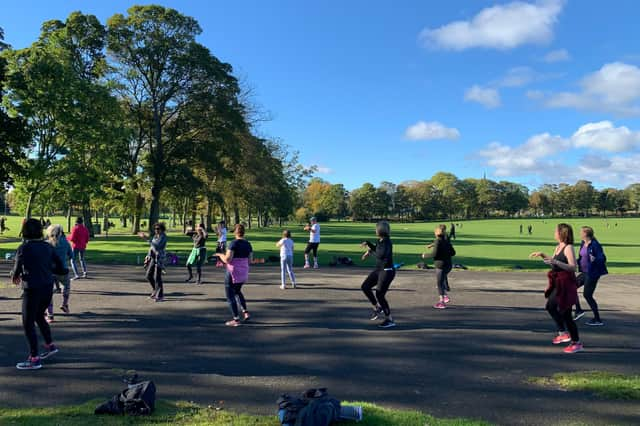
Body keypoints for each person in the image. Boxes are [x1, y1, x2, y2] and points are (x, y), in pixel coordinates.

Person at [11, 219, 68, 370]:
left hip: (32, 288)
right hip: (47, 287)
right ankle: (50, 345)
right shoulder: (47, 247)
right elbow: (62, 269)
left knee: (28, 322)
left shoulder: (24, 248)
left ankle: (34, 358)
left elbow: (16, 270)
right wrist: (47, 270)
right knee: (38, 316)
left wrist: (15, 275)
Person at [530, 223, 583, 354]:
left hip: (566, 284)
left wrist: (555, 262)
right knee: (550, 306)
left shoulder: (568, 247)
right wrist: (544, 256)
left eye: (556, 231)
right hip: (558, 283)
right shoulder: (558, 247)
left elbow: (572, 267)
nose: (554, 233)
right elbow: (555, 265)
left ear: (562, 233)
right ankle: (563, 333)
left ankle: (576, 342)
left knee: (566, 313)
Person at [360, 221, 396, 328]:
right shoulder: (380, 241)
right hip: (379, 270)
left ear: (380, 230)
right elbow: (377, 249)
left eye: (376, 229)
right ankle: (377, 307)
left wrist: (370, 252)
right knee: (365, 286)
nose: (375, 230)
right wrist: (369, 244)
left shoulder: (386, 242)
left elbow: (381, 254)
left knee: (379, 294)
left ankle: (390, 319)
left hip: (387, 271)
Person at [217, 224, 253, 326]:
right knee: (238, 291)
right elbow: (250, 260)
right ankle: (245, 312)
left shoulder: (233, 243)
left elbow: (227, 259)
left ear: (235, 232)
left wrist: (220, 255)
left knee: (230, 295)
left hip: (232, 272)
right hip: (243, 272)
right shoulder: (248, 244)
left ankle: (236, 319)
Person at [574, 226, 607, 326]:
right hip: (584, 272)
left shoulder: (595, 245)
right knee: (571, 287)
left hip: (592, 273)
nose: (579, 233)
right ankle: (578, 310)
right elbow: (581, 257)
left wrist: (595, 259)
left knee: (587, 295)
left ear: (586, 234)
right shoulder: (583, 243)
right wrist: (574, 262)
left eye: (581, 232)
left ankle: (597, 319)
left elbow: (602, 258)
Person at [422, 225, 456, 309]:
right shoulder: (446, 241)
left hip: (440, 265)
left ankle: (441, 302)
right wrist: (445, 253)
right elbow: (453, 253)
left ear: (436, 233)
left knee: (439, 283)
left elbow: (434, 254)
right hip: (448, 265)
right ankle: (445, 296)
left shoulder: (437, 241)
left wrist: (425, 255)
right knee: (442, 280)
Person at [45, 225, 73, 322]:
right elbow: (71, 255)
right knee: (66, 286)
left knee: (48, 292)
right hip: (63, 269)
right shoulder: (65, 242)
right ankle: (64, 304)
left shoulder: (47, 243)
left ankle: (50, 315)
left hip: (49, 271)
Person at [139, 223, 167, 302]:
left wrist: (146, 238)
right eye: (155, 229)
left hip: (160, 258)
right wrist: (147, 256)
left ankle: (160, 295)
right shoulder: (155, 236)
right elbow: (152, 247)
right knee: (148, 275)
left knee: (158, 277)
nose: (156, 230)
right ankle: (155, 290)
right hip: (153, 257)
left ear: (162, 229)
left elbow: (157, 246)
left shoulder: (163, 237)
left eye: (158, 229)